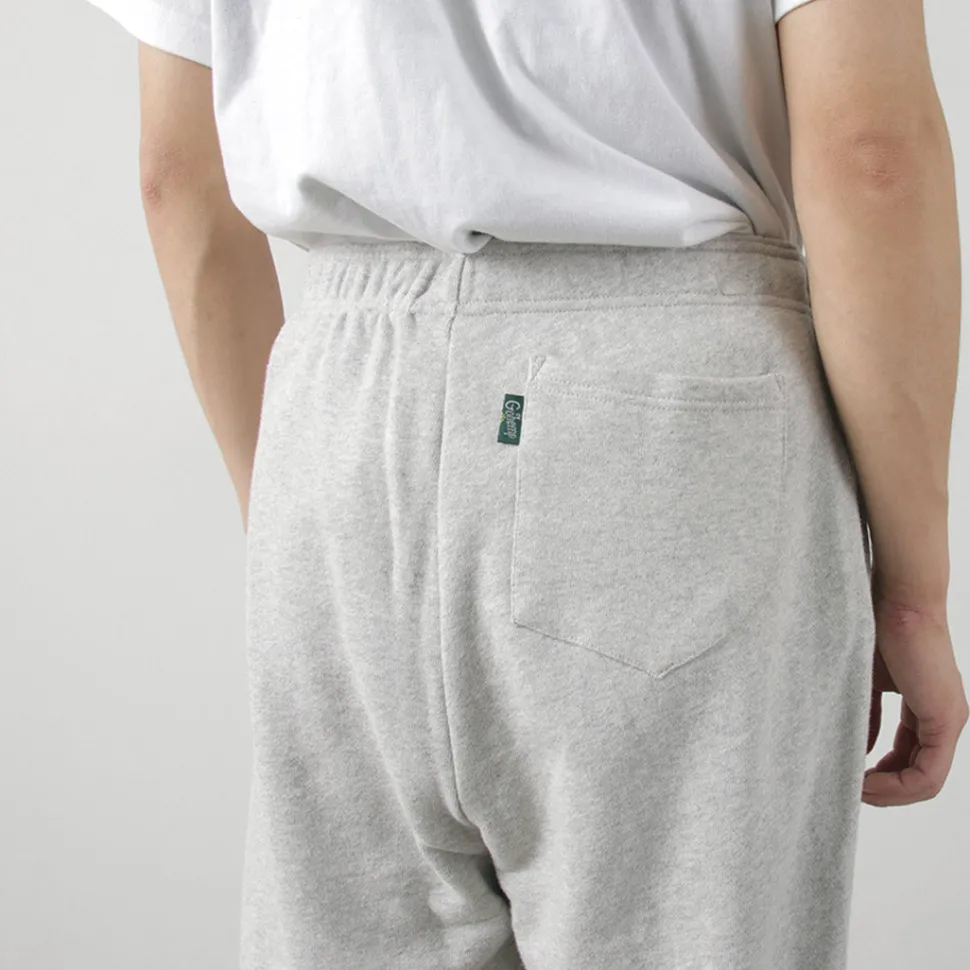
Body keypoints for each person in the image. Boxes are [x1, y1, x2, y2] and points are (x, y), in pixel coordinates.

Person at [83, 0, 967, 967]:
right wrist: (912, 597)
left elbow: (178, 179)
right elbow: (871, 153)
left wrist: (296, 529)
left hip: (336, 411)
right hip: (667, 407)